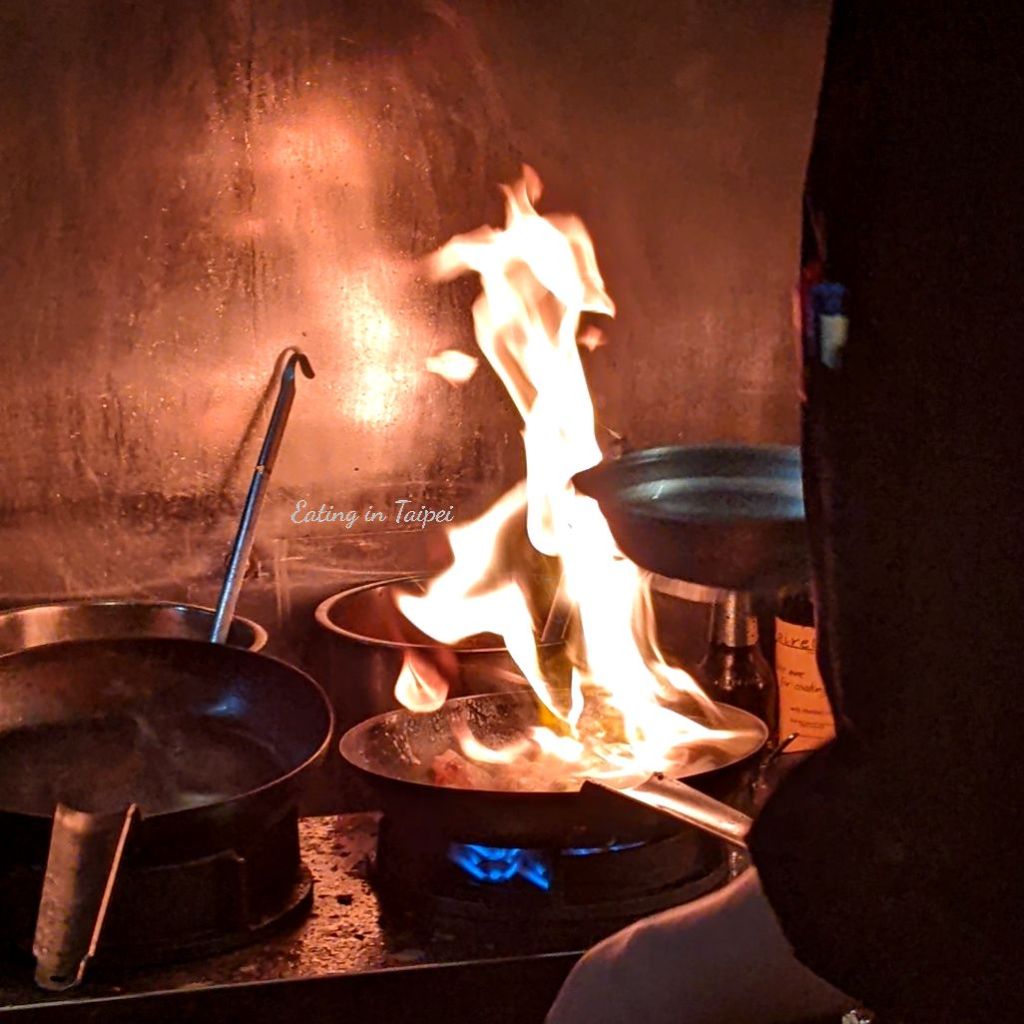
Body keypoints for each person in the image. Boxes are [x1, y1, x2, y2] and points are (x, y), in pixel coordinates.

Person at [550, 4, 1024, 1021]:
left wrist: (855, 836)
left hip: (964, 864)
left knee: (625, 994)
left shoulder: (964, 85)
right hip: (936, 844)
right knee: (624, 989)